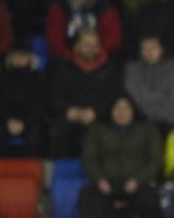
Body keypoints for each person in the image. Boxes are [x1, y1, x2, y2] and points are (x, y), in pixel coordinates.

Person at [78, 96, 163, 218]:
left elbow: (155, 160)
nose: (121, 111)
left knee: (150, 201)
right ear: (111, 110)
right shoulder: (97, 128)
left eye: (126, 108)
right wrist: (99, 180)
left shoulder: (148, 129)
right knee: (88, 200)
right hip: (106, 183)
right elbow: (89, 158)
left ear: (133, 110)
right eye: (117, 108)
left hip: (137, 183)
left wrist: (138, 180)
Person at [48, 29, 121, 159]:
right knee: (57, 130)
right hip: (70, 115)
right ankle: (62, 173)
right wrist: (69, 111)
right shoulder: (64, 67)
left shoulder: (109, 68)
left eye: (95, 45)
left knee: (104, 132)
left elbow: (113, 97)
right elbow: (55, 97)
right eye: (87, 45)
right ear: (77, 47)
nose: (91, 49)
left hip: (99, 117)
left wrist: (96, 112)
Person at [0, 41, 48, 158]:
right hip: (6, 120)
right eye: (16, 56)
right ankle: (3, 169)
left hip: (31, 120)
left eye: (23, 56)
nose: (20, 59)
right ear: (10, 58)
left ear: (30, 58)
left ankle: (30, 171)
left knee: (36, 136)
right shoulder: (1, 77)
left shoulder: (39, 78)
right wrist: (8, 120)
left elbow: (41, 105)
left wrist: (24, 122)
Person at [46, 0, 123, 62]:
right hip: (67, 59)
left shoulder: (105, 7)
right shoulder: (59, 5)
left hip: (100, 59)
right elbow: (55, 42)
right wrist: (71, 57)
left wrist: (94, 55)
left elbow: (113, 40)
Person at [123, 36, 174, 130]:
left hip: (169, 121)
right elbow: (136, 99)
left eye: (153, 48)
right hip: (141, 122)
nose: (149, 52)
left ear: (161, 49)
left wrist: (150, 100)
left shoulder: (172, 69)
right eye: (145, 49)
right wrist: (160, 98)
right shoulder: (132, 69)